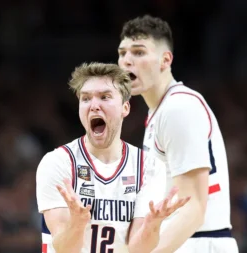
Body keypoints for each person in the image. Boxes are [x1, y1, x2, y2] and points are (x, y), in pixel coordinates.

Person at [36, 62, 190, 253]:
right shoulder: (57, 163)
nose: (94, 106)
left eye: (105, 97)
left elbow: (138, 249)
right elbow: (63, 248)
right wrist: (77, 223)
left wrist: (153, 225)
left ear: (125, 108)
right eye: (85, 99)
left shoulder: (147, 166)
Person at [117, 15, 239, 253]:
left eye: (139, 52)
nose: (127, 61)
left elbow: (193, 208)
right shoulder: (159, 112)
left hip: (199, 242)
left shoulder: (178, 108)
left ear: (165, 60)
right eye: (122, 53)